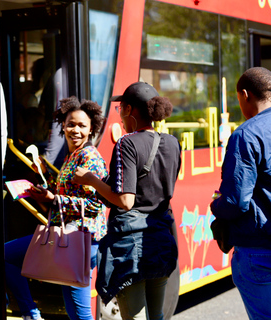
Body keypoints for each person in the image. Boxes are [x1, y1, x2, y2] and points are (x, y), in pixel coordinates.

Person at [73, 82, 181, 320]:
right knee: (157, 316)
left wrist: (91, 180)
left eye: (120, 107)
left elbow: (125, 200)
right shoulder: (173, 143)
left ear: (130, 110)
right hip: (161, 238)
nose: (120, 114)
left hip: (132, 245)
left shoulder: (127, 143)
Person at [4, 96, 108, 320]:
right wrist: (45, 178)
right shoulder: (73, 156)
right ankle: (31, 313)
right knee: (75, 312)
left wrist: (53, 199)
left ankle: (31, 313)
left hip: (81, 240)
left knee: (81, 314)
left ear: (91, 130)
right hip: (67, 238)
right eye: (71, 124)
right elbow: (68, 191)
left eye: (82, 126)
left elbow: (94, 206)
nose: (76, 130)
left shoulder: (90, 157)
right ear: (63, 126)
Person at [210, 67, 271, 320]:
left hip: (257, 246)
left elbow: (235, 201)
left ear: (245, 95)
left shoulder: (245, 134)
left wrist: (215, 205)